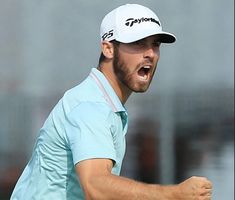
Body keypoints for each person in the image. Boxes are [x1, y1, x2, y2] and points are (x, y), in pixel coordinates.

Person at [10, 4, 212, 200]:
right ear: (108, 49)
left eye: (155, 44)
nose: (150, 53)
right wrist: (174, 195)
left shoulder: (103, 102)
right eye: (138, 43)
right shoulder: (91, 107)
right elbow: (96, 187)